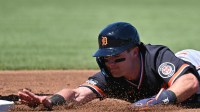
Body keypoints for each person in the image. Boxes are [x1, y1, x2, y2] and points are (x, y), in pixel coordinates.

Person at [18, 22, 200, 110]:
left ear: (135, 52)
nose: (110, 64)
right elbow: (76, 93)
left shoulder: (156, 57)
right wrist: (51, 101)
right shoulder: (110, 76)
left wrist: (155, 102)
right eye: (106, 59)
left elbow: (190, 82)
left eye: (117, 58)